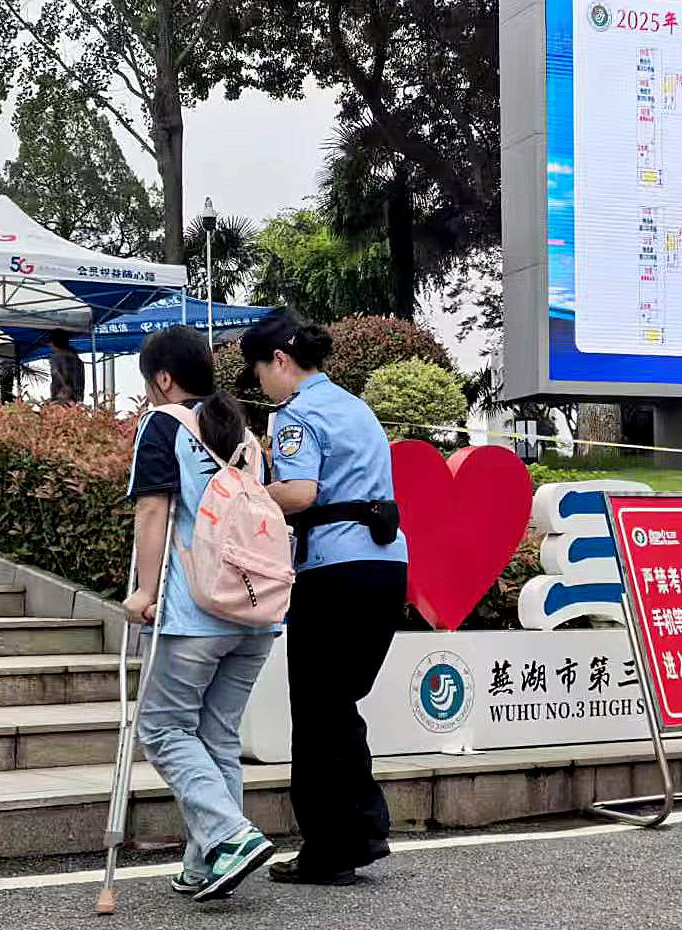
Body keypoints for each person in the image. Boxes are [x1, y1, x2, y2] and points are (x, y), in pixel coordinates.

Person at [240, 313, 408, 886]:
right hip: (386, 566)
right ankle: (358, 831)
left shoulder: (297, 414)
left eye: (258, 372)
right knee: (338, 703)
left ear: (279, 361)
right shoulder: (356, 407)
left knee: (316, 710)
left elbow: (300, 492)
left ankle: (332, 848)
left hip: (334, 571)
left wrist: (243, 493)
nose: (261, 384)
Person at [123, 325, 279, 902]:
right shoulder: (245, 435)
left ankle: (230, 836)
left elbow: (153, 509)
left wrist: (144, 592)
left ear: (163, 378)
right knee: (217, 735)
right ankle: (206, 861)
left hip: (196, 612)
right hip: (257, 611)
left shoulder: (162, 423)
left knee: (163, 728)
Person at [49, 329, 85, 404]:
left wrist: (58, 397)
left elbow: (59, 375)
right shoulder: (76, 358)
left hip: (63, 398)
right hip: (75, 398)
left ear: (54, 343)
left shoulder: (57, 357)